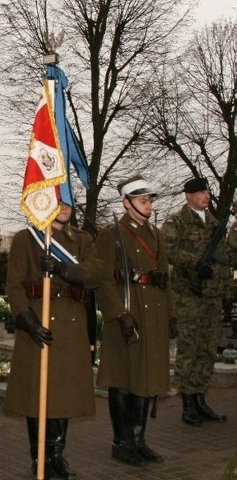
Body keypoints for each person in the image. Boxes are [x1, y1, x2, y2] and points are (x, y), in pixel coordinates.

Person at [4, 201, 104, 479]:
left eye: (69, 202)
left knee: (65, 395)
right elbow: (14, 285)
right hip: (39, 323)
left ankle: (57, 456)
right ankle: (39, 459)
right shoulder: (27, 238)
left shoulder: (82, 239)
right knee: (37, 395)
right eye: (58, 202)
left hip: (71, 326)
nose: (64, 208)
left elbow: (97, 271)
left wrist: (64, 269)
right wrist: (26, 319)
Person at [95, 175, 176, 467]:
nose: (149, 205)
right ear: (126, 203)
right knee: (123, 379)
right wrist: (119, 313)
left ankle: (139, 441)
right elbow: (104, 280)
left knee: (146, 377)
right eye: (143, 200)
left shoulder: (156, 234)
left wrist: (170, 314)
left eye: (150, 200)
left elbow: (163, 278)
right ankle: (122, 442)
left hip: (151, 315)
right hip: (126, 316)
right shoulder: (112, 234)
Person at [162, 177, 235, 427]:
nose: (207, 196)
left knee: (207, 350)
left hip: (212, 297)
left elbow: (226, 258)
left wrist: (226, 292)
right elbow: (167, 249)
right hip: (188, 296)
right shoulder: (177, 221)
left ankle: (201, 399)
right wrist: (194, 262)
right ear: (188, 196)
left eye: (207, 192)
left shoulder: (215, 223)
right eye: (201, 192)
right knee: (189, 350)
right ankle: (188, 403)